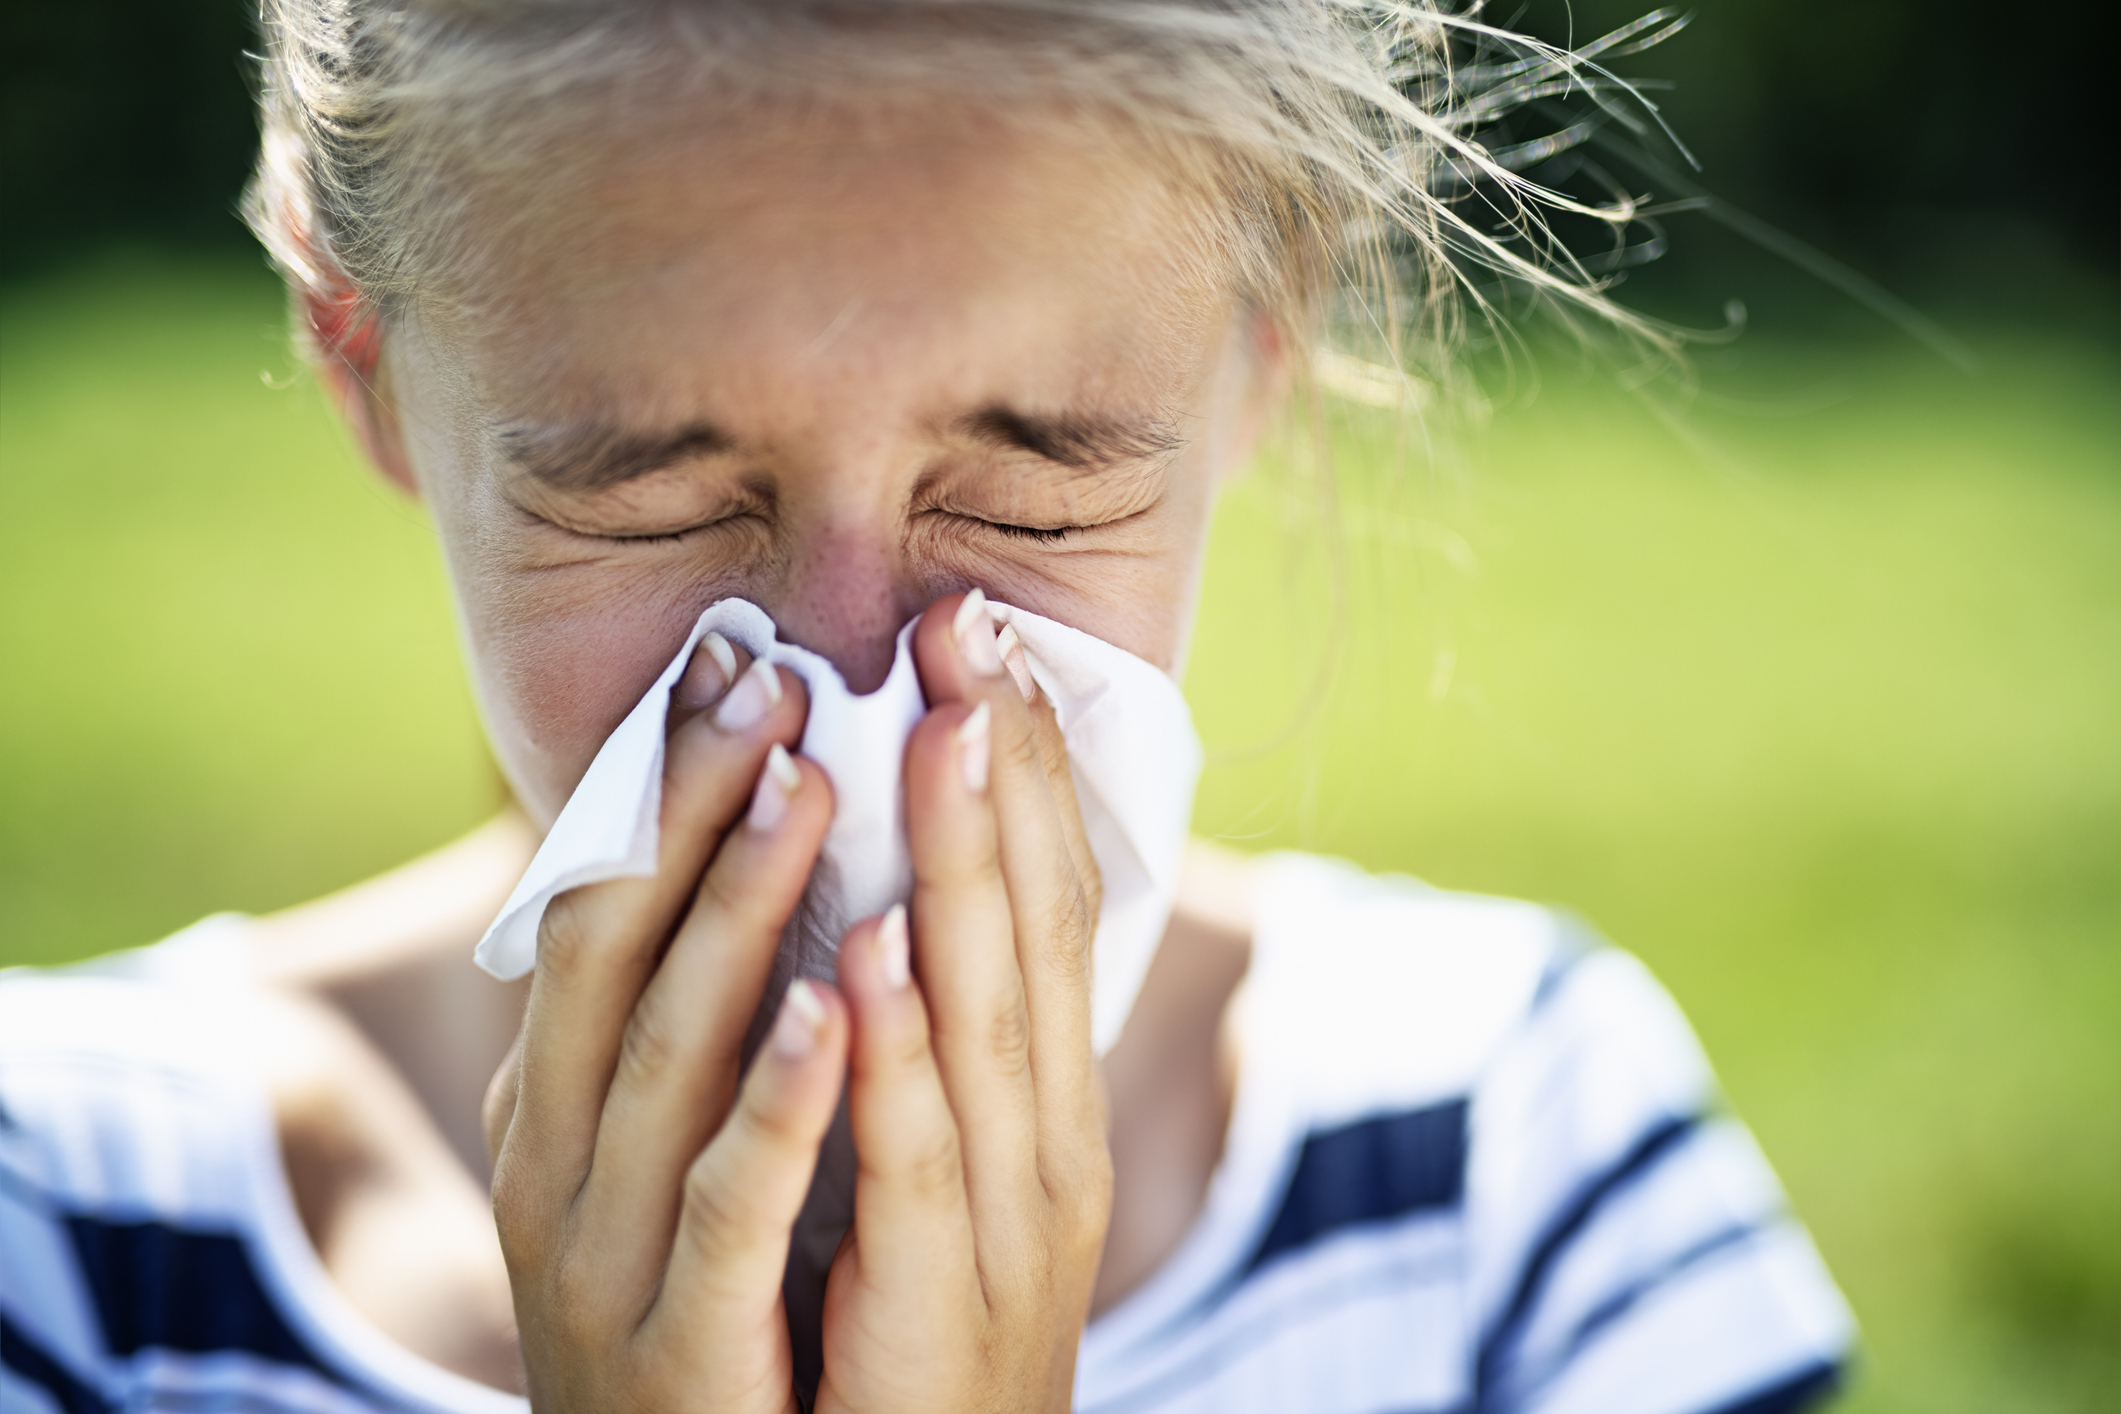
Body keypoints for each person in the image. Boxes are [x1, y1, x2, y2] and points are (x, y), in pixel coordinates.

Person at [0, 2, 1854, 1411]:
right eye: (651, 489)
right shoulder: (64, 1241)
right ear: (367, 363)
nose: (851, 690)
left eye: (1034, 485)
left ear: (1256, 354)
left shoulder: (1523, 1171)